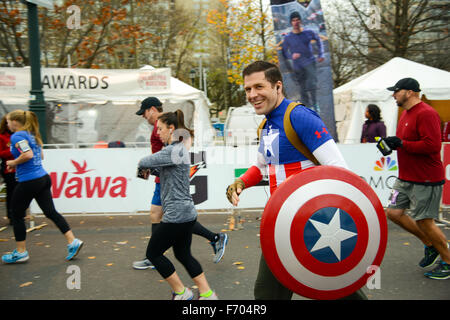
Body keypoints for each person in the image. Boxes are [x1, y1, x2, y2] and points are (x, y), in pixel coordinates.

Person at [226, 61, 367, 299]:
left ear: (277, 86)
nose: (252, 94)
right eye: (248, 89)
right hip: (281, 227)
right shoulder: (265, 125)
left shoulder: (300, 117)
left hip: (316, 226)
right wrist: (241, 182)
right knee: (269, 294)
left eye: (259, 86)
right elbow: (261, 168)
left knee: (338, 291)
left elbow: (339, 171)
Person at [133, 97, 227, 270]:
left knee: (167, 216)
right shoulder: (166, 124)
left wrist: (156, 166)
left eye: (144, 112)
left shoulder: (164, 126)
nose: (143, 116)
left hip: (166, 174)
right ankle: (213, 238)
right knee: (170, 218)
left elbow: (174, 150)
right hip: (163, 172)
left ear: (152, 109)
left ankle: (153, 255)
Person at [138, 110, 217, 300]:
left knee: (153, 253)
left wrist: (142, 169)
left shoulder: (173, 150)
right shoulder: (178, 150)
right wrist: (149, 171)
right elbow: (162, 171)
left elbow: (145, 161)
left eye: (160, 129)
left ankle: (182, 293)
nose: (157, 133)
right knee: (183, 255)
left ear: (171, 128)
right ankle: (206, 294)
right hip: (187, 214)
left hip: (176, 216)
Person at [384, 78, 449, 280]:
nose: (393, 94)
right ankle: (430, 245)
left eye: (396, 91)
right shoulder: (406, 114)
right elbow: (406, 142)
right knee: (394, 213)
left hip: (426, 179)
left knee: (425, 221)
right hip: (405, 178)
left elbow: (431, 146)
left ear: (410, 92)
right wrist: (393, 144)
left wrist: (403, 144)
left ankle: (447, 261)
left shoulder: (427, 113)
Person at [1, 110, 83, 264]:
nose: (6, 124)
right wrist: (18, 166)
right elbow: (39, 156)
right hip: (42, 178)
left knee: (16, 214)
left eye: (8, 121)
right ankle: (73, 241)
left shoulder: (17, 136)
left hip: (29, 181)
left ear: (15, 122)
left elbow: (28, 155)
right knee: (51, 212)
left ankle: (20, 252)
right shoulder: (31, 134)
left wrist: (13, 163)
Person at [281, 11, 324, 113]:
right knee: (303, 88)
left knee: (312, 84)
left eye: (297, 20)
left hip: (310, 62)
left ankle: (315, 104)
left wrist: (321, 54)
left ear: (300, 21)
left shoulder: (308, 32)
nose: (296, 22)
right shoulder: (288, 37)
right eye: (293, 20)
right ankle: (308, 108)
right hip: (298, 66)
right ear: (291, 22)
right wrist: (291, 56)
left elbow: (318, 40)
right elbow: (284, 52)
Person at [0, 116, 18, 225]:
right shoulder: (2, 137)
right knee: (11, 192)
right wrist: (13, 152)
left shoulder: (17, 136)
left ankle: (20, 214)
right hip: (8, 169)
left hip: (19, 167)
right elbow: (1, 153)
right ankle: (11, 216)